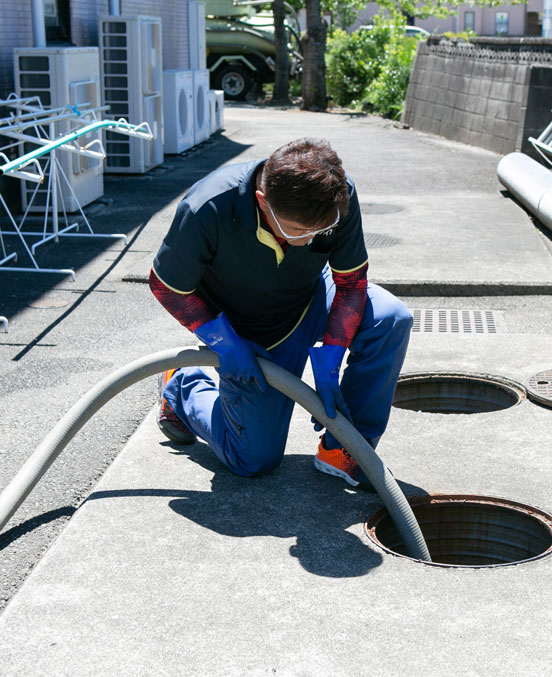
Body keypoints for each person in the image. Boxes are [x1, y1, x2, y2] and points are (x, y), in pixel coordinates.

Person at [148, 138, 412, 490]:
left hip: (310, 296)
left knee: (391, 318)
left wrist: (334, 352)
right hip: (250, 333)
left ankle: (345, 450)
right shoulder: (208, 208)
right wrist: (224, 343)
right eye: (299, 230)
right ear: (262, 201)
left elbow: (351, 283)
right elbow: (167, 286)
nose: (309, 240)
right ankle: (184, 384)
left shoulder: (335, 194)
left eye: (321, 230)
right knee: (253, 460)